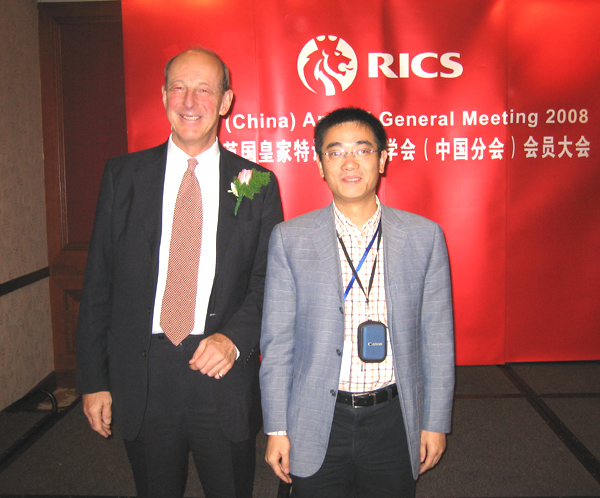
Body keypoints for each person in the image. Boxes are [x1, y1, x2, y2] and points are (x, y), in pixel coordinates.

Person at [76, 48, 283, 498]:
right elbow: (98, 282)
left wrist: (233, 340)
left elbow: (268, 281)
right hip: (144, 372)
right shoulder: (123, 175)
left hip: (221, 367)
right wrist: (93, 380)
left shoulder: (256, 183)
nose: (190, 102)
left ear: (225, 101)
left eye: (204, 89)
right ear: (163, 95)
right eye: (179, 88)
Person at [259, 107, 454, 497]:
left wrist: (435, 421)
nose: (349, 163)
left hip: (394, 417)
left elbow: (437, 339)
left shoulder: (424, 236)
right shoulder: (290, 238)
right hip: (317, 417)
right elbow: (278, 344)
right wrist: (277, 427)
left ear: (382, 159)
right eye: (335, 152)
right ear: (320, 165)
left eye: (363, 150)